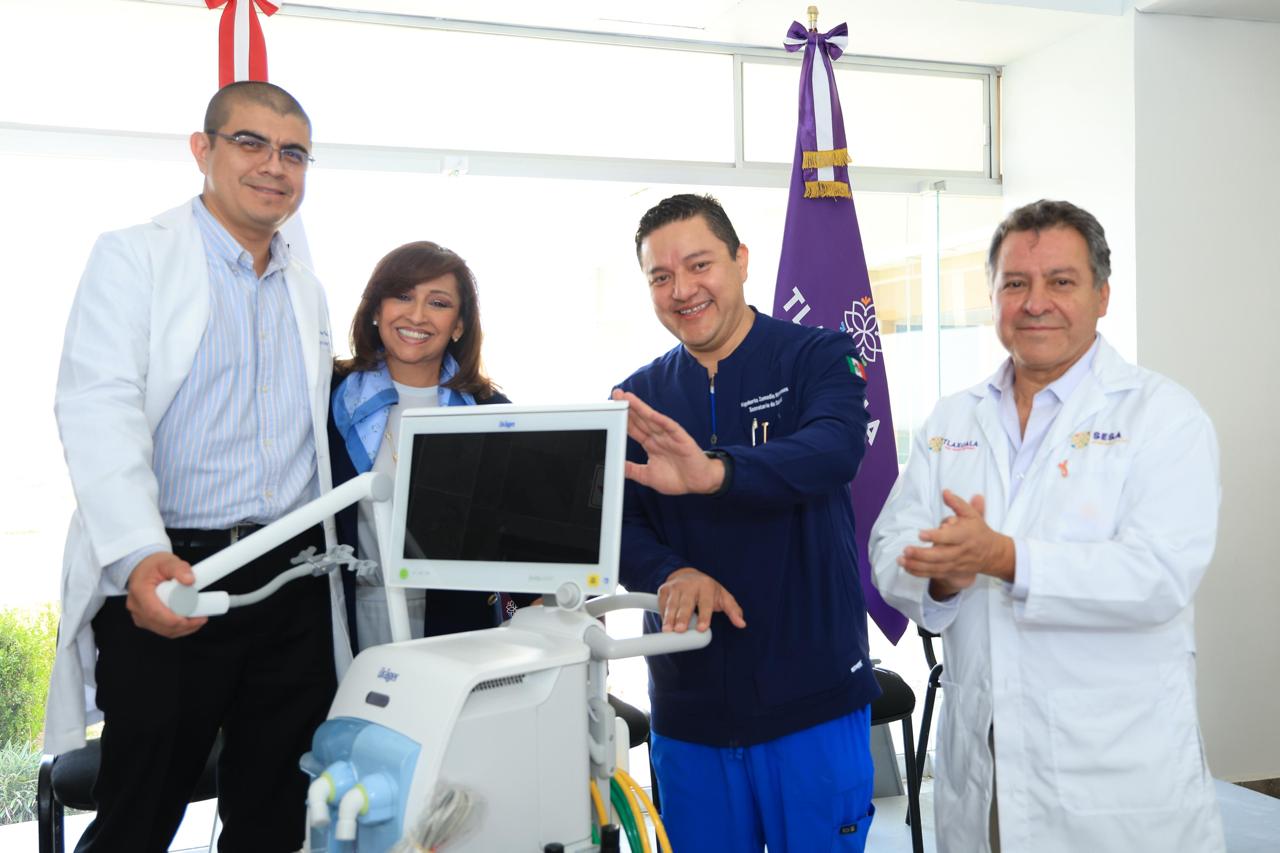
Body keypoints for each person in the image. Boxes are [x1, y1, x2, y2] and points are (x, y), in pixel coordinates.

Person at [45, 81, 350, 853]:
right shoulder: (134, 256)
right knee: (140, 812)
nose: (273, 165)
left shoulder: (306, 285)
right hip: (172, 569)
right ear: (202, 150)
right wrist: (140, 553)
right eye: (251, 142)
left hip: (290, 580)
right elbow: (99, 406)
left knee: (274, 814)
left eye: (293, 153)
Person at [869, 199, 1225, 853]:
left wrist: (1004, 557)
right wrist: (943, 579)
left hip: (1114, 774)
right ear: (993, 297)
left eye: (1061, 281)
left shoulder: (1162, 416)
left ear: (1102, 295)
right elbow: (890, 547)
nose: (1036, 303)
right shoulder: (954, 418)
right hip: (987, 765)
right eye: (1015, 283)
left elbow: (1160, 575)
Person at [611, 193, 880, 852]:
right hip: (691, 711)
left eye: (699, 265)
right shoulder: (637, 398)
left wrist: (717, 472)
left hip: (811, 698)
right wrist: (670, 571)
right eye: (661, 276)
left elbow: (835, 447)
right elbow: (616, 523)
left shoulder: (817, 355)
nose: (682, 290)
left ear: (741, 261)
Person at [328, 241, 523, 647]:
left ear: (459, 325)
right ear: (376, 310)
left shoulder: (489, 410)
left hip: (457, 625)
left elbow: (518, 533)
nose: (417, 315)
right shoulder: (330, 396)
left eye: (438, 303)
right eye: (402, 296)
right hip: (344, 615)